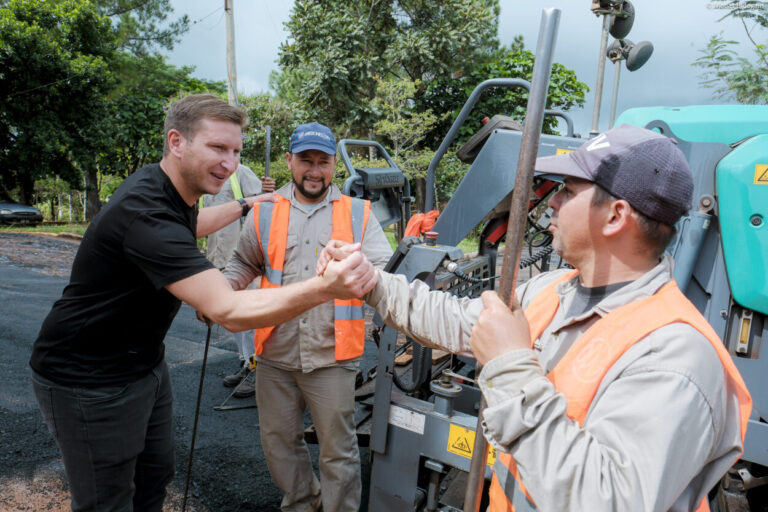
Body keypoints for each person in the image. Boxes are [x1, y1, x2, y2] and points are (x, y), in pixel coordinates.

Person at [321, 124, 752, 511]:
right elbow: (453, 319)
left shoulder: (675, 355)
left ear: (616, 215)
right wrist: (370, 282)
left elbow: (606, 500)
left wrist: (510, 366)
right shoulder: (551, 290)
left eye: (567, 191)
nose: (552, 205)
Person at [29, 95, 378, 512]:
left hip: (154, 365)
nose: (230, 163)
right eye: (217, 148)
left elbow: (191, 225)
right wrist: (322, 287)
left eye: (235, 151)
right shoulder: (149, 212)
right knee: (107, 499)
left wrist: (246, 204)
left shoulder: (169, 194)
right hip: (90, 377)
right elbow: (228, 303)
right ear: (176, 142)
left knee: (155, 477)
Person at [223, 121, 392, 511]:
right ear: (289, 161)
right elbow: (242, 263)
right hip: (275, 352)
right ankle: (303, 503)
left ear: (334, 165)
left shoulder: (357, 214)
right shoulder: (265, 211)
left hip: (332, 354)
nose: (314, 170)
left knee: (338, 451)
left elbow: (385, 271)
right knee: (279, 443)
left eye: (323, 161)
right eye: (305, 160)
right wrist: (221, 291)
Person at [200, 163, 275, 396]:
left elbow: (264, 201)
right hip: (218, 258)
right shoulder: (204, 177)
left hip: (243, 261)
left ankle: (257, 367)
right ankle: (245, 362)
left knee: (249, 318)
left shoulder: (241, 173)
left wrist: (266, 189)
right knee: (233, 318)